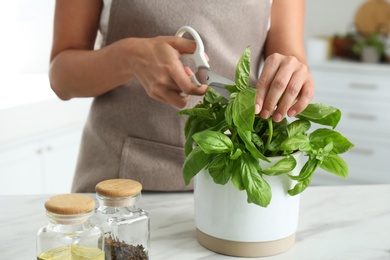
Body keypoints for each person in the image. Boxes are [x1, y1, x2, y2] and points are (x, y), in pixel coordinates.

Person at [49, 0, 314, 193]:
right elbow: (61, 77)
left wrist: (292, 75)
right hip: (117, 185)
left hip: (233, 178)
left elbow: (289, 57)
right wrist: (129, 56)